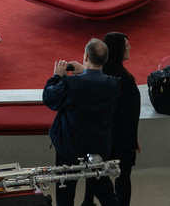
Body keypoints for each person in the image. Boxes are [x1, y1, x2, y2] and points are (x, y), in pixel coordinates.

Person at [42, 39, 120, 206]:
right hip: (99, 149)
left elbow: (49, 99)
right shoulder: (114, 84)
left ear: (85, 56)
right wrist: (85, 70)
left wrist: (57, 76)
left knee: (65, 192)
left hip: (69, 148)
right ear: (105, 59)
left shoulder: (71, 83)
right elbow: (97, 81)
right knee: (105, 192)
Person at [81, 33, 140, 206]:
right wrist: (133, 140)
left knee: (95, 175)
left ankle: (88, 202)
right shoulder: (125, 80)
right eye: (126, 45)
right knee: (123, 179)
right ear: (117, 50)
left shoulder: (98, 76)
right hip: (121, 140)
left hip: (99, 137)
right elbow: (131, 115)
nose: (129, 48)